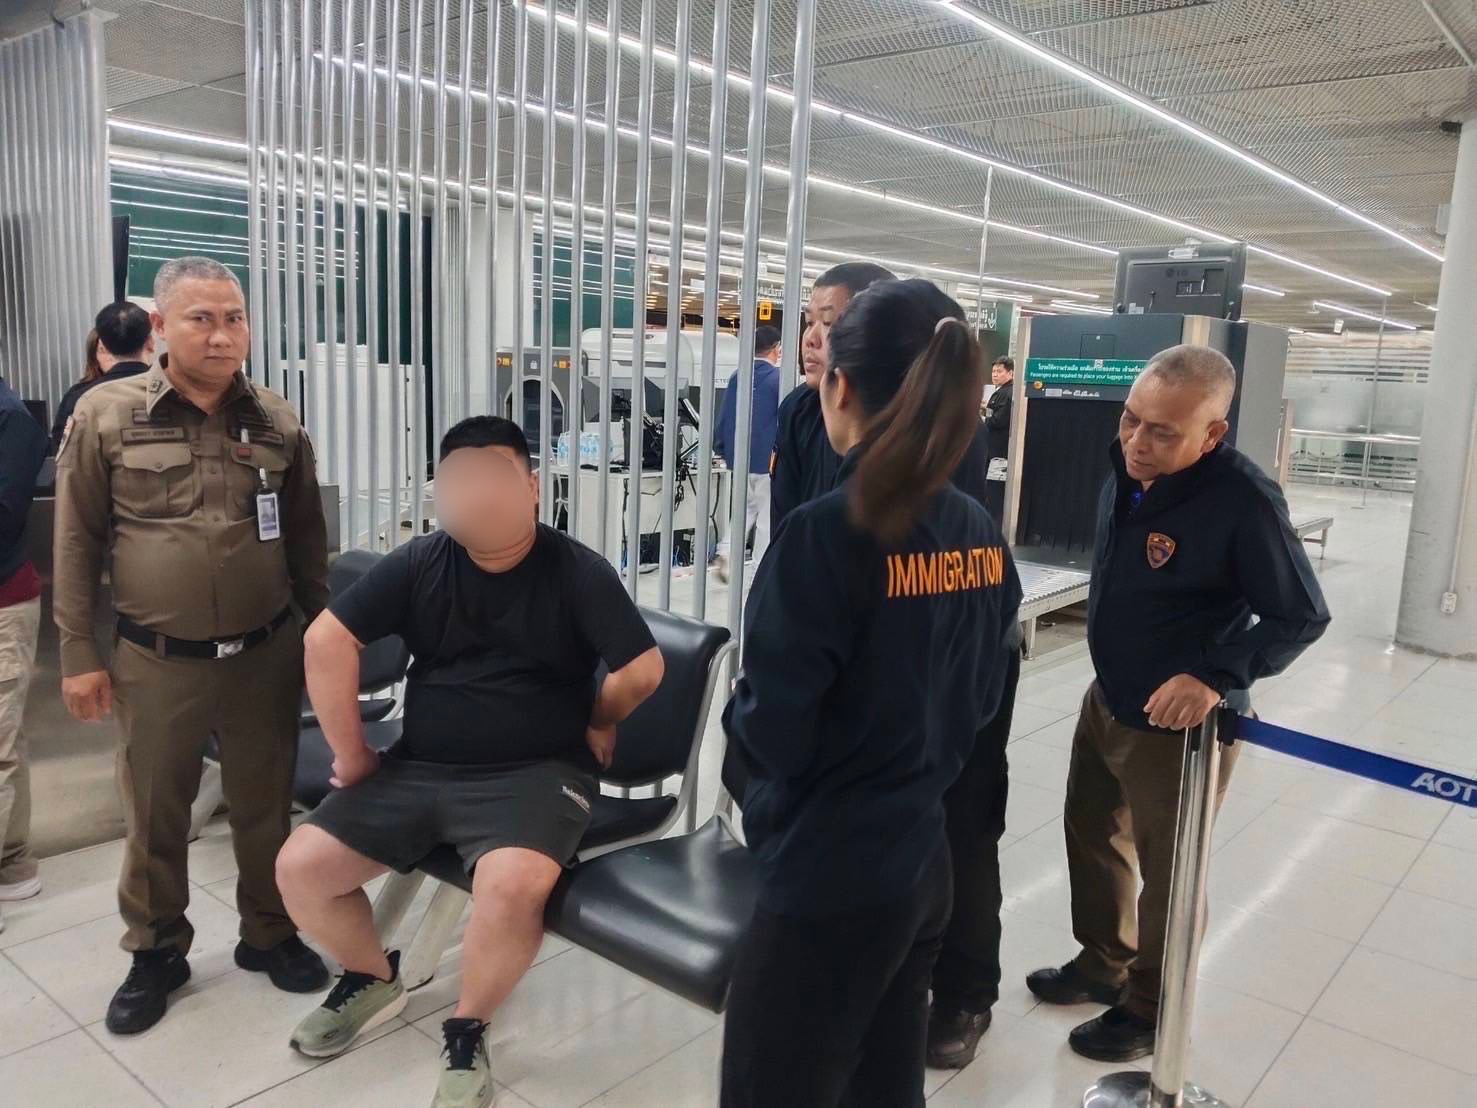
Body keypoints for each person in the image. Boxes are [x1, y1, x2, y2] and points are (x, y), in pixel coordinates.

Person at [275, 416, 665, 1108]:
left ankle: (468, 1025)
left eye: (496, 477)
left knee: (511, 887)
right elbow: (326, 641)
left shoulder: (577, 571)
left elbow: (642, 668)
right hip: (420, 765)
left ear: (533, 488)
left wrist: (601, 718)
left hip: (537, 773)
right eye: (460, 480)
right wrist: (352, 753)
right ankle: (372, 976)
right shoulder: (420, 562)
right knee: (301, 868)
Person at [720, 279, 1022, 1108]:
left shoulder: (823, 533)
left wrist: (738, 716)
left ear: (839, 386)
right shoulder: (977, 532)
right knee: (883, 1087)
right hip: (921, 861)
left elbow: (771, 733)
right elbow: (983, 699)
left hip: (827, 878)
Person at [1027, 344, 1330, 1062]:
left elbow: (1300, 616)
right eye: (1131, 420)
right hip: (1109, 696)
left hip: (1181, 726)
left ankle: (1150, 1009)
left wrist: (1214, 676)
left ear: (1212, 433)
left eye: (1163, 432)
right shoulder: (1127, 470)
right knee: (1092, 832)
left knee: (1171, 873)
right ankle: (1103, 962)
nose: (1137, 441)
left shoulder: (1242, 501)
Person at [52, 256, 331, 1035]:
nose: (221, 335)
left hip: (265, 653)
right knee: (155, 814)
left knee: (265, 808)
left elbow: (307, 543)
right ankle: (156, 950)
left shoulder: (275, 418)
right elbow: (75, 542)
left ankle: (269, 932)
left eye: (234, 318)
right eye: (201, 318)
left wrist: (322, 640)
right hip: (155, 659)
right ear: (161, 326)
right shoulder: (107, 415)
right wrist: (78, 653)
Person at [771, 263, 992, 534]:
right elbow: (783, 517)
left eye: (829, 323)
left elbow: (956, 535)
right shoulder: (798, 410)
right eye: (808, 323)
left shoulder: (947, 424)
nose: (810, 339)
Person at [0, 374, 48, 930]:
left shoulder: (10, 418)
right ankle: (12, 862)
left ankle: (11, 862)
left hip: (4, 603)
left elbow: (4, 513)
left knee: (1, 741)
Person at [713, 324, 782, 582]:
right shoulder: (779, 380)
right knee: (766, 518)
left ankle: (726, 551)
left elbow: (724, 418)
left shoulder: (737, 377)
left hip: (740, 460)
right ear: (775, 349)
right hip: (768, 462)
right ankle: (758, 573)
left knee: (745, 509)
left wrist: (722, 448)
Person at [51, 303, 155, 452]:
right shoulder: (174, 390)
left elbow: (65, 454)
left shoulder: (81, 397)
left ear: (103, 346)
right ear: (151, 343)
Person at [981, 356, 1013, 523]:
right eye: (993, 371)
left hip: (998, 452)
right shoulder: (1001, 392)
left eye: (999, 371)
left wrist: (984, 416)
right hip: (995, 449)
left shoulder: (1005, 393)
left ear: (1010, 373)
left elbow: (998, 420)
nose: (995, 374)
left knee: (995, 490)